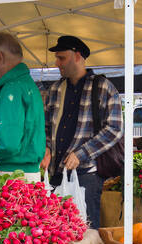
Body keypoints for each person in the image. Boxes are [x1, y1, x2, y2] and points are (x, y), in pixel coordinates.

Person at [40, 35, 123, 229]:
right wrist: (46, 148)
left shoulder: (103, 87)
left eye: (61, 58)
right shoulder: (55, 89)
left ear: (77, 56)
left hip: (86, 174)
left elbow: (115, 128)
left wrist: (81, 153)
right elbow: (46, 126)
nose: (56, 62)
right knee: (56, 231)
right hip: (55, 173)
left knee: (87, 232)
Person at [0, 32, 46, 182]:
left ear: (0, 56)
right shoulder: (28, 85)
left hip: (9, 176)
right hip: (26, 174)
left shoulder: (12, 89)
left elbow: (8, 143)